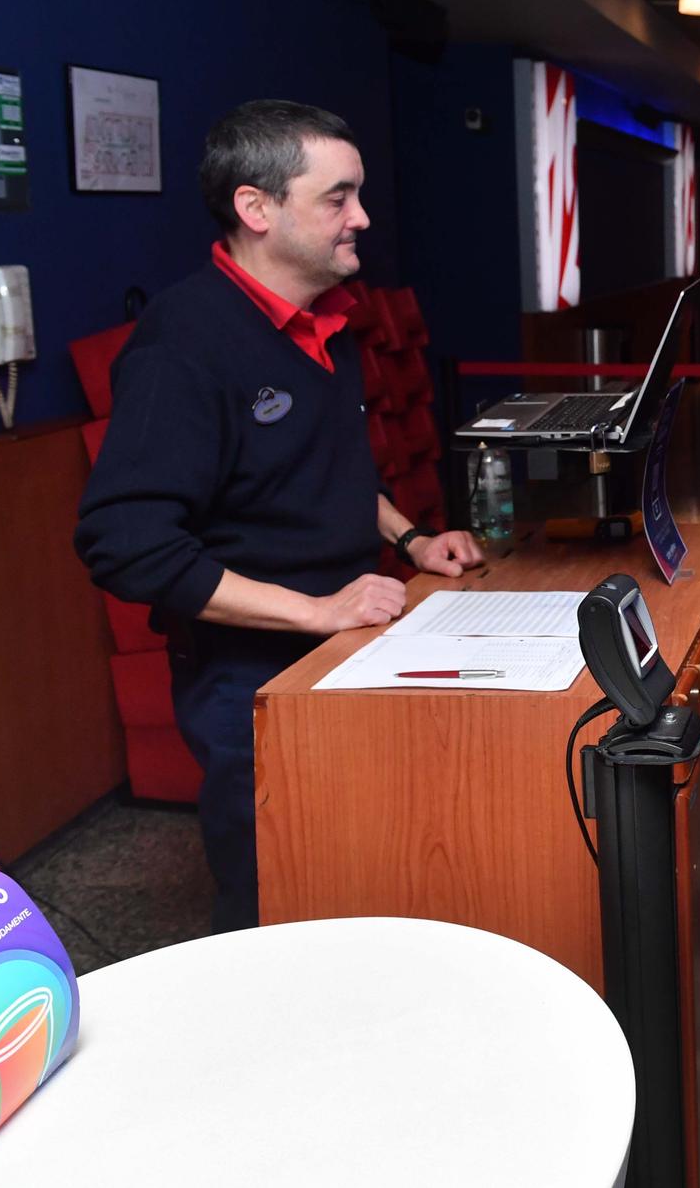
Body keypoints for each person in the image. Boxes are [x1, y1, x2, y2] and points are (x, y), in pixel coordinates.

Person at [76, 99, 482, 933]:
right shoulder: (182, 341)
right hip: (247, 678)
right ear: (255, 209)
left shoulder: (324, 322)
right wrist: (316, 610)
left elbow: (310, 472)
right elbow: (124, 544)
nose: (361, 217)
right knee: (276, 905)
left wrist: (411, 537)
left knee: (361, 875)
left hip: (342, 646)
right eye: (338, 198)